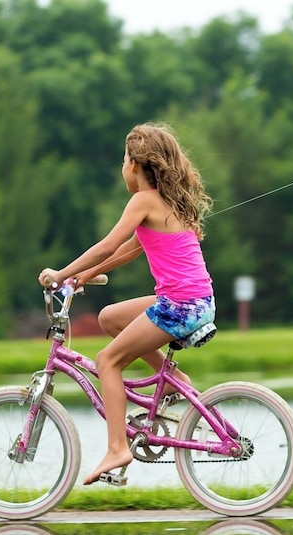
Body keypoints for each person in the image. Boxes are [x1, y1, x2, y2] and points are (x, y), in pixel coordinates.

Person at [38, 122, 215, 485]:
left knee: (107, 361)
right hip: (194, 301)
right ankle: (172, 381)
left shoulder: (143, 200)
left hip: (179, 305)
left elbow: (106, 244)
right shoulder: (167, 203)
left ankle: (118, 447)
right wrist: (85, 276)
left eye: (123, 160)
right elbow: (129, 249)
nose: (122, 168)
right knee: (110, 317)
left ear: (135, 165)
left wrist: (61, 273)